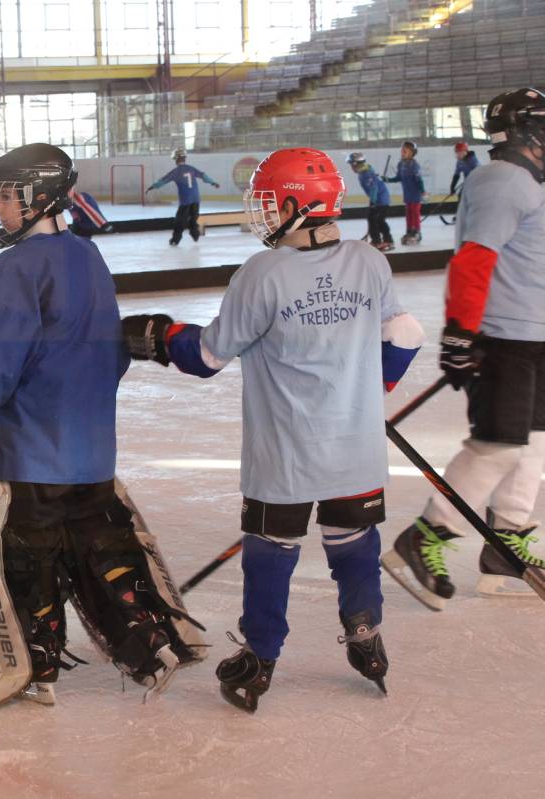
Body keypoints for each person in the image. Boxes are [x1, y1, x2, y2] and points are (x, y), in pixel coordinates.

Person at [124, 147, 424, 712]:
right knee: (354, 541)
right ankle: (365, 635)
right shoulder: (369, 261)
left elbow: (207, 356)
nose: (262, 213)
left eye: (269, 202)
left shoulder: (262, 273)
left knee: (270, 550)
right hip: (355, 446)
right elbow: (406, 334)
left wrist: (159, 337)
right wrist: (371, 393)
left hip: (284, 453)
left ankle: (259, 659)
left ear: (293, 206)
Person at [0, 143, 196, 700]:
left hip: (33, 447)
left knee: (31, 556)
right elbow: (108, 349)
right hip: (92, 448)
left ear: (39, 199)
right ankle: (147, 643)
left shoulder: (12, 270)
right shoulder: (87, 255)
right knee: (100, 549)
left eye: (8, 196)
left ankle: (37, 665)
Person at [383, 88, 545, 607]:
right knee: (497, 445)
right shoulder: (504, 180)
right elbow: (474, 260)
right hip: (504, 338)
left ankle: (507, 541)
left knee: (535, 442)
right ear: (524, 132)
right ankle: (426, 536)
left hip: (533, 337)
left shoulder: (529, 182)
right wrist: (460, 333)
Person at [148, 149, 220, 246]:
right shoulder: (191, 168)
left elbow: (163, 180)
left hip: (185, 200)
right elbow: (203, 176)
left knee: (180, 220)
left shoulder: (176, 171)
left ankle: (175, 240)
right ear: (184, 158)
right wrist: (213, 182)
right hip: (196, 198)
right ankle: (195, 234)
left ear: (176, 159)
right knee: (193, 218)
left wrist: (152, 187)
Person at [347, 152, 395, 252]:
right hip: (378, 200)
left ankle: (385, 240)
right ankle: (377, 240)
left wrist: (373, 202)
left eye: (352, 165)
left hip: (381, 201)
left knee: (378, 220)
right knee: (373, 219)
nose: (351, 168)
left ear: (356, 164)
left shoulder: (367, 173)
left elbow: (374, 188)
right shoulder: (363, 172)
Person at [383, 140, 425, 245]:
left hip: (415, 195)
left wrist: (422, 191)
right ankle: (409, 231)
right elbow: (398, 178)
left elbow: (419, 180)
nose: (402, 153)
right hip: (407, 195)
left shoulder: (414, 165)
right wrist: (388, 179)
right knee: (408, 214)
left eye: (405, 151)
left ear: (411, 153)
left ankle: (416, 232)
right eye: (402, 151)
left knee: (415, 214)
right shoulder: (401, 164)